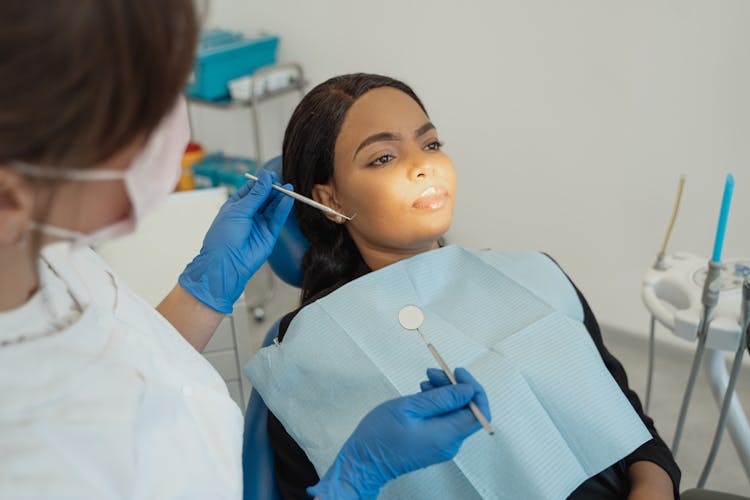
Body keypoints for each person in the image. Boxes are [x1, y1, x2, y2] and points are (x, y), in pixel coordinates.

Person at [0, 3, 491, 499]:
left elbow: (121, 370)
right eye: (135, 122)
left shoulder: (51, 255)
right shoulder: (31, 461)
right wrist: (351, 480)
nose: (174, 136)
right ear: (328, 199)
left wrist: (203, 292)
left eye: (431, 144)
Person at [265, 73, 682, 499]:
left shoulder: (535, 276)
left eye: (430, 145)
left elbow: (635, 432)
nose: (423, 166)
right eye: (383, 158)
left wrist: (652, 489)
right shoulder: (307, 352)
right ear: (331, 201)